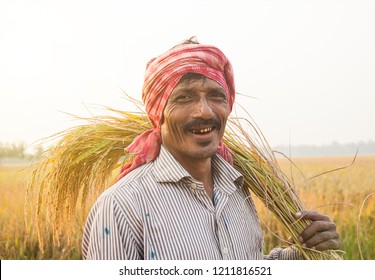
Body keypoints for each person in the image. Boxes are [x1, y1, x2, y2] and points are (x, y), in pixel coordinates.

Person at [82, 38, 340, 260]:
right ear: (157, 113)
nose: (205, 111)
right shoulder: (121, 206)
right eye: (184, 97)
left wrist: (304, 252)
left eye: (216, 95)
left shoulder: (237, 186)